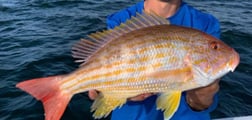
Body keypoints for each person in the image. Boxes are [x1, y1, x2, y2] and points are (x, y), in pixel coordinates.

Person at [89, 0, 220, 119]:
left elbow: (203, 102)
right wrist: (103, 90)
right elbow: (95, 91)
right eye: (214, 47)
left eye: (214, 47)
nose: (214, 48)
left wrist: (200, 97)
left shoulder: (206, 23)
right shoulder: (120, 20)